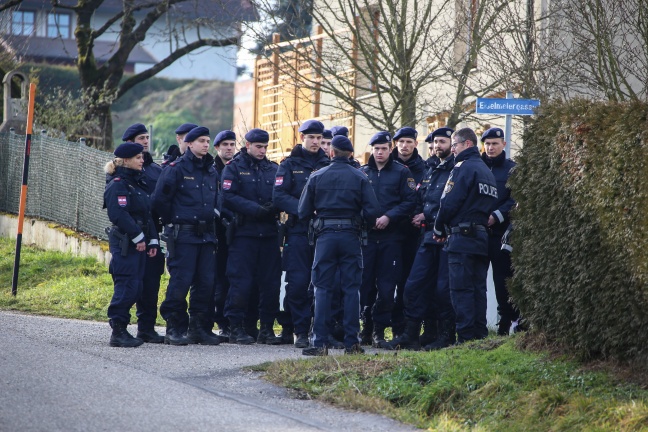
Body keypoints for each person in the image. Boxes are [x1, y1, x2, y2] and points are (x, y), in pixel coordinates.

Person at [298, 135, 381, 356]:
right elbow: (373, 211)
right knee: (351, 289)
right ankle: (352, 343)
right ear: (350, 155)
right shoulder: (360, 177)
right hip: (351, 236)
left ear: (331, 153)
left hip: (325, 236)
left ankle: (319, 343)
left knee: (322, 288)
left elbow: (302, 211)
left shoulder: (317, 176)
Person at [385, 127, 456, 350]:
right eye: (435, 142)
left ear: (452, 145)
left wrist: (428, 214)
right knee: (414, 285)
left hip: (446, 236)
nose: (437, 146)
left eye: (442, 142)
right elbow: (419, 197)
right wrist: (418, 213)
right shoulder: (431, 168)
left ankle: (443, 334)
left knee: (443, 290)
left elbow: (452, 203)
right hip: (426, 236)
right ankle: (411, 334)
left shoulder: (457, 170)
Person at [152, 126, 221, 346]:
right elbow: (159, 201)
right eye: (201, 141)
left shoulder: (210, 169)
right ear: (189, 143)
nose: (205, 145)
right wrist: (172, 221)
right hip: (184, 235)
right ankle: (174, 327)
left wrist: (215, 214)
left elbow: (218, 197)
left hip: (207, 236)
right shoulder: (176, 168)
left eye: (207, 140)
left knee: (205, 283)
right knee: (180, 282)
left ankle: (198, 328)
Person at [432, 127, 498, 344]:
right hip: (481, 237)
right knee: (478, 289)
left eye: (455, 145)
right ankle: (480, 337)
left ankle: (466, 339)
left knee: (461, 289)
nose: (452, 150)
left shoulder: (462, 168)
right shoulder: (486, 171)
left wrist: (439, 228)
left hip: (461, 237)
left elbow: (448, 202)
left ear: (467, 144)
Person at [221, 128, 282, 345]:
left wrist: (273, 207)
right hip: (244, 233)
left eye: (265, 147)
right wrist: (255, 209)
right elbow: (227, 196)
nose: (262, 150)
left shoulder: (273, 169)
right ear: (247, 146)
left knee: (270, 283)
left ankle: (266, 328)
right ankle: (236, 327)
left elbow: (281, 193)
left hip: (268, 234)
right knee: (241, 282)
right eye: (258, 146)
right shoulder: (234, 168)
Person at [273, 120, 330, 348]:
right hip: (298, 230)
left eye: (319, 138)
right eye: (311, 137)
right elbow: (279, 196)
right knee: (297, 283)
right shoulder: (289, 164)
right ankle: (298, 329)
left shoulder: (328, 163)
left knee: (323, 284)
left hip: (324, 231)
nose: (316, 142)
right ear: (302, 138)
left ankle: (319, 331)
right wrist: (304, 208)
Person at [359, 131, 416, 348]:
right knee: (364, 286)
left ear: (389, 149)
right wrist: (369, 218)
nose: (380, 152)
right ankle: (366, 328)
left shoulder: (401, 172)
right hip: (368, 238)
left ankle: (379, 331)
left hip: (392, 238)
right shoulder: (363, 172)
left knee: (386, 287)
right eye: (376, 149)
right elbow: (356, 201)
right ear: (371, 150)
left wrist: (388, 216)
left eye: (383, 148)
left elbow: (409, 201)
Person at [103, 142, 159, 347]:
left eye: (142, 157)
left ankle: (125, 330)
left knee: (137, 286)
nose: (142, 160)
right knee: (127, 285)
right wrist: (138, 237)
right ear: (125, 160)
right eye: (138, 158)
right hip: (126, 243)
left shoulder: (138, 182)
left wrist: (152, 239)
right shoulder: (118, 183)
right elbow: (118, 214)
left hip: (140, 242)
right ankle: (118, 332)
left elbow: (147, 213)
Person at [121, 123, 165, 343]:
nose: (146, 141)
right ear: (130, 143)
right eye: (141, 138)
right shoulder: (121, 172)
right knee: (132, 284)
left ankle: (146, 328)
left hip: (154, 230)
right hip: (133, 235)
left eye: (147, 137)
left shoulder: (156, 169)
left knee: (151, 283)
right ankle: (120, 328)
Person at [386, 127, 426, 341]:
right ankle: (378, 326)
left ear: (415, 144)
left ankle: (403, 328)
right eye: (401, 141)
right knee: (386, 282)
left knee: (408, 282)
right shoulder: (385, 165)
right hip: (390, 232)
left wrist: (420, 213)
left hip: (413, 233)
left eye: (409, 141)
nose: (404, 145)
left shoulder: (424, 168)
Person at [480, 127, 519, 335]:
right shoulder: (476, 167)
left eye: (495, 143)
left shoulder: (512, 169)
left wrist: (497, 215)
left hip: (500, 235)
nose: (490, 147)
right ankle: (477, 324)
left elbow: (514, 199)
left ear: (503, 144)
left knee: (502, 280)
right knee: (476, 281)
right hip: (477, 232)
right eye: (487, 144)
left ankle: (505, 323)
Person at [211, 130, 238, 340]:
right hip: (216, 231)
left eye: (232, 144)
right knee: (219, 279)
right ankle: (220, 320)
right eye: (225, 144)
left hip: (237, 230)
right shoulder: (212, 169)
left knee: (234, 277)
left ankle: (233, 321)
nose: (229, 148)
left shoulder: (238, 168)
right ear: (217, 147)